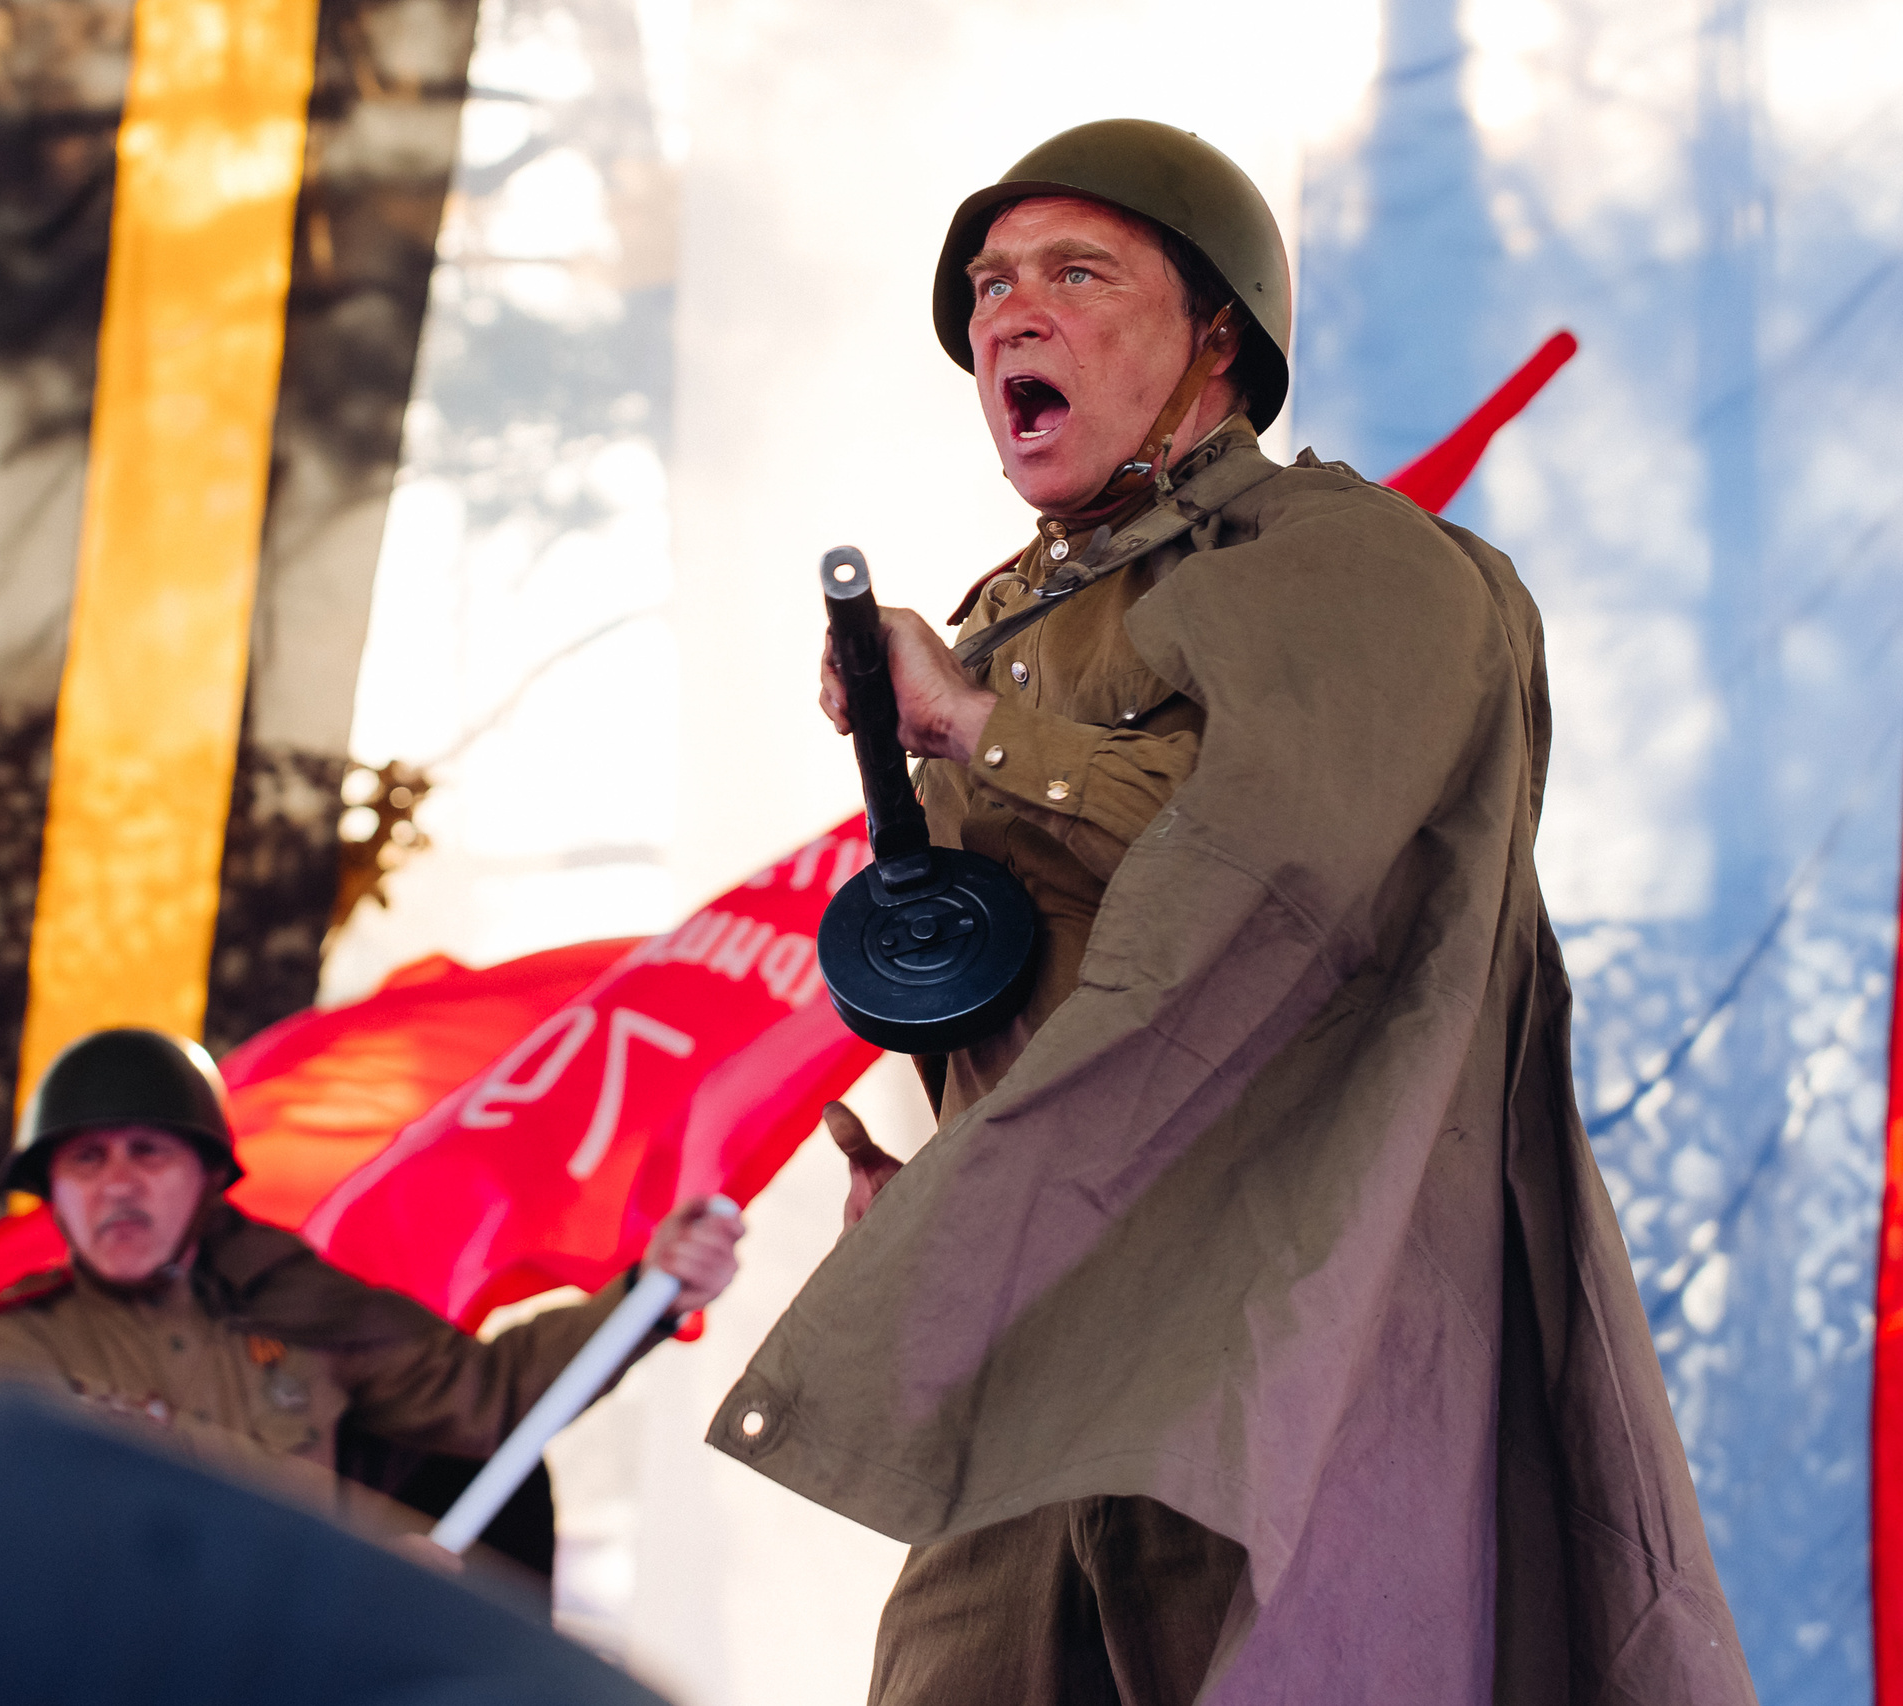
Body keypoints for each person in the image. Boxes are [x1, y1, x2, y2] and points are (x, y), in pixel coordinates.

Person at [715, 120, 1757, 1704]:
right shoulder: (1011, 610)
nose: (1009, 315)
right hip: (1030, 1352)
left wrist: (979, 734)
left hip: (1265, 1353)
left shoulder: (1369, 567)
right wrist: (949, 1159)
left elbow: (1286, 881)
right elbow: (1063, 975)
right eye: (993, 286)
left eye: (1076, 273)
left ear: (1220, 333)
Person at [0, 1027, 742, 1568]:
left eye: (147, 1153)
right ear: (51, 1193)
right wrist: (377, 1550)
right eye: (85, 1161)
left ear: (210, 1175)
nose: (117, 1185)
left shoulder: (295, 1300)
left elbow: (485, 1397)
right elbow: (101, 1478)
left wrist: (649, 1289)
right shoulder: (0, 1343)